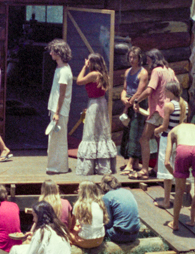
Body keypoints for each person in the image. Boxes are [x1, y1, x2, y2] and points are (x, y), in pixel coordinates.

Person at [131, 49, 175, 179]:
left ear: (154, 59)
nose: (147, 63)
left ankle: (144, 169)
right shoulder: (170, 71)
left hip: (157, 110)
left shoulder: (157, 71)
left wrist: (137, 100)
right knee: (160, 139)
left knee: (144, 138)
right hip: (168, 109)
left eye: (149, 60)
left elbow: (150, 90)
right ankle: (157, 168)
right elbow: (176, 86)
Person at [2, 201, 74, 254]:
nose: (33, 219)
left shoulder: (41, 232)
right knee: (21, 250)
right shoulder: (62, 229)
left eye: (34, 216)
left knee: (15, 250)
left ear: (40, 217)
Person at [74, 53, 118, 176]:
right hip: (101, 103)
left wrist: (84, 67)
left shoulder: (93, 74)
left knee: (91, 132)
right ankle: (102, 166)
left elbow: (79, 81)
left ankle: (89, 167)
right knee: (101, 133)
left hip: (94, 104)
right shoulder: (104, 74)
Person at [164, 122, 195, 235]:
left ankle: (175, 223)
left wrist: (176, 175)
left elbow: (166, 163)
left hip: (182, 151)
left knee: (179, 190)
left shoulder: (173, 131)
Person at [153, 80, 187, 208]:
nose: (164, 92)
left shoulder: (169, 106)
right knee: (179, 168)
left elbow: (165, 126)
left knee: (167, 173)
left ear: (171, 92)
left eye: (166, 91)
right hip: (180, 140)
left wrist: (156, 130)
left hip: (168, 139)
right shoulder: (184, 105)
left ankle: (166, 201)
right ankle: (180, 199)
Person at [119, 46, 149, 175]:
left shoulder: (143, 73)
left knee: (135, 132)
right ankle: (135, 162)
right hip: (128, 103)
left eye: (134, 57)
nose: (131, 60)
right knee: (128, 131)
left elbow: (140, 91)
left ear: (139, 58)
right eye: (130, 57)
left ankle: (130, 164)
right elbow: (125, 88)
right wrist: (123, 98)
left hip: (138, 104)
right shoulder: (127, 72)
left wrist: (131, 102)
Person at [45, 39, 73, 175]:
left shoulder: (64, 71)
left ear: (59, 53)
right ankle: (55, 166)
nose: (50, 53)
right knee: (54, 138)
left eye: (53, 51)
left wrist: (56, 112)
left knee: (59, 138)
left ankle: (59, 167)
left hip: (60, 110)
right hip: (56, 108)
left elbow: (62, 95)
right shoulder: (60, 68)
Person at [100, 174, 141, 245]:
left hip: (119, 235)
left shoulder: (106, 197)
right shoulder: (127, 192)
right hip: (135, 233)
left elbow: (108, 223)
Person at [70, 181, 107, 249]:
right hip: (100, 239)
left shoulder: (79, 204)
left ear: (84, 191)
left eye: (79, 188)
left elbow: (71, 225)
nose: (77, 190)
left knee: (68, 232)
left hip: (86, 241)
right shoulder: (100, 203)